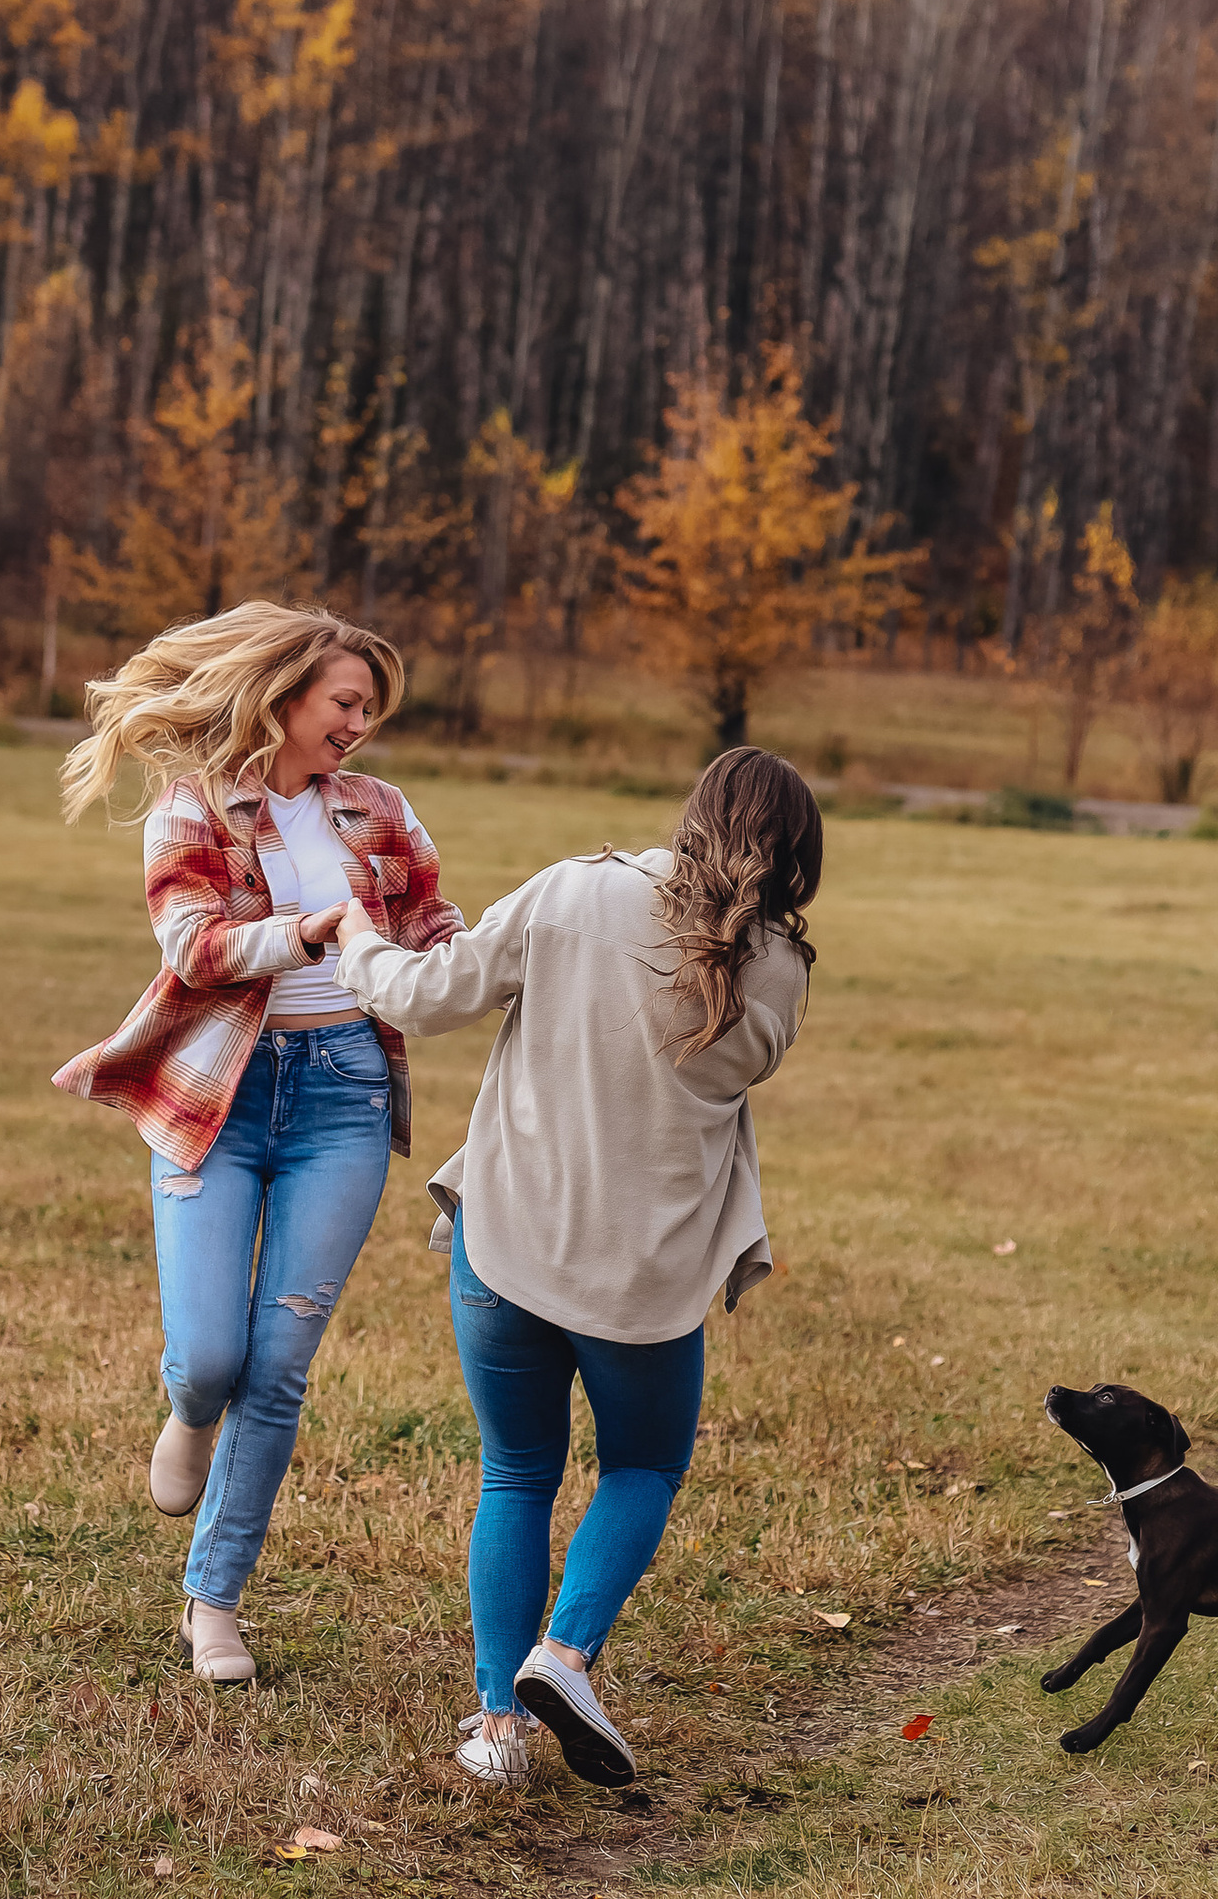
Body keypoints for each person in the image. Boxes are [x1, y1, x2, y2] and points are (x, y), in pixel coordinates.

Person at [331, 747, 821, 1792]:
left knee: (516, 1471)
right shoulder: (781, 971)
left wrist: (354, 938)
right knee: (641, 1468)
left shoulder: (573, 894)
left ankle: (500, 1729)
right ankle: (564, 1653)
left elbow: (423, 996)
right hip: (642, 1280)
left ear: (690, 816)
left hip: (505, 1245)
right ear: (796, 857)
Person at [52, 602, 462, 1686]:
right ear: (282, 698)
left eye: (369, 707)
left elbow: (434, 925)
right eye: (344, 701)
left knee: (278, 1371)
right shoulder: (193, 809)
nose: (359, 723)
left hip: (344, 1098)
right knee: (215, 1358)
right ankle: (187, 1405)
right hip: (220, 1101)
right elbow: (194, 949)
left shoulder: (377, 810)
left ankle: (213, 1600)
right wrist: (311, 931)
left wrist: (509, 951)